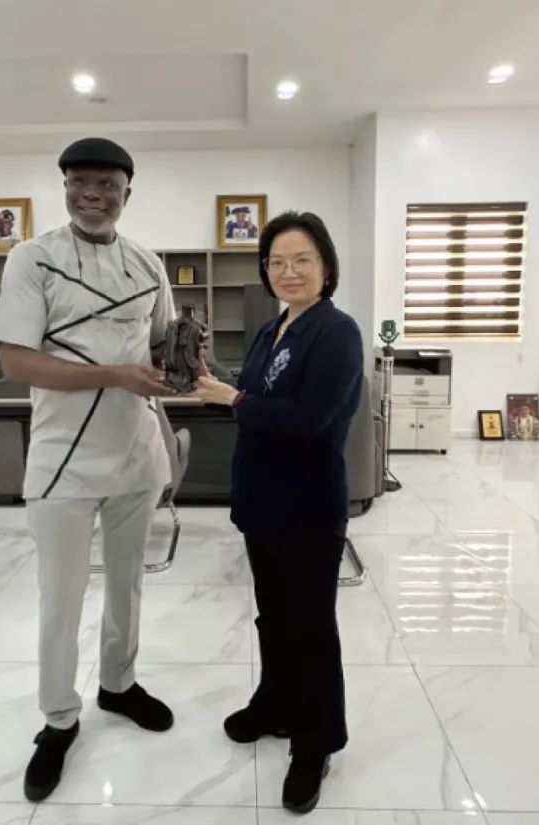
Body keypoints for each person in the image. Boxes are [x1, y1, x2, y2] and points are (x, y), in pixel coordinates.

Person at [0, 136, 177, 803]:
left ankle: (118, 684)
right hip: (62, 457)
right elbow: (16, 360)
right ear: (65, 187)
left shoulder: (149, 264)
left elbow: (161, 346)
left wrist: (185, 356)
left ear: (128, 191)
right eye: (79, 183)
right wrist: (115, 373)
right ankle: (59, 718)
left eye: (106, 184)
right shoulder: (32, 258)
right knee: (60, 598)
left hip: (135, 451)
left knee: (128, 585)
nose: (92, 195)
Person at [194, 210, 362, 815]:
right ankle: (276, 704)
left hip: (308, 504)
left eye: (302, 260)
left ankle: (315, 743)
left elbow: (310, 418)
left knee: (311, 626)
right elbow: (257, 391)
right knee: (274, 616)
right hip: (262, 499)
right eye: (276, 262)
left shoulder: (336, 332)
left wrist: (234, 398)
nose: (288, 272)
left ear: (326, 267)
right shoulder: (274, 328)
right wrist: (214, 375)